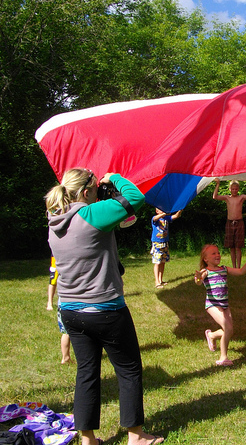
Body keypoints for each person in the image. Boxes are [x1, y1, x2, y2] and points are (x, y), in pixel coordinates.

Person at [45, 168, 163, 445]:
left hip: (71, 312)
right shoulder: (92, 215)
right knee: (129, 369)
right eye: (96, 188)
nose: (100, 190)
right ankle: (136, 436)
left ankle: (87, 439)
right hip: (105, 309)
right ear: (86, 192)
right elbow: (135, 197)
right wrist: (114, 178)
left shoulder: (54, 220)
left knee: (86, 372)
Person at [194, 244, 246, 366]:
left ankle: (211, 335)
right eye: (213, 253)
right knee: (228, 328)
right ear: (205, 259)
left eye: (218, 253)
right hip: (212, 305)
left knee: (229, 330)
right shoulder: (206, 271)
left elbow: (240, 272)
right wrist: (198, 278)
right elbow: (199, 282)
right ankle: (223, 357)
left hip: (225, 304)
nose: (217, 255)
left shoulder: (223, 268)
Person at [213, 179, 246, 268]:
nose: (234, 190)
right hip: (230, 223)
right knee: (231, 247)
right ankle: (234, 267)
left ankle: (238, 267)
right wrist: (218, 184)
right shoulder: (227, 198)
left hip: (239, 223)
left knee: (238, 247)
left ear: (238, 189)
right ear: (230, 189)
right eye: (233, 189)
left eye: (236, 189)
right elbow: (215, 196)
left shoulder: (241, 197)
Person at [47, 256, 72, 364]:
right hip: (73, 305)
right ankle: (66, 358)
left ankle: (65, 357)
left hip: (63, 304)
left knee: (66, 332)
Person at [150, 208, 182, 289]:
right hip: (157, 243)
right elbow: (155, 218)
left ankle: (161, 280)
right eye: (160, 209)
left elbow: (175, 216)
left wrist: (180, 209)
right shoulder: (155, 218)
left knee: (163, 262)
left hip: (165, 243)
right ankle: (157, 282)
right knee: (157, 262)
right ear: (157, 211)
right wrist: (164, 213)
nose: (163, 210)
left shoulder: (166, 218)